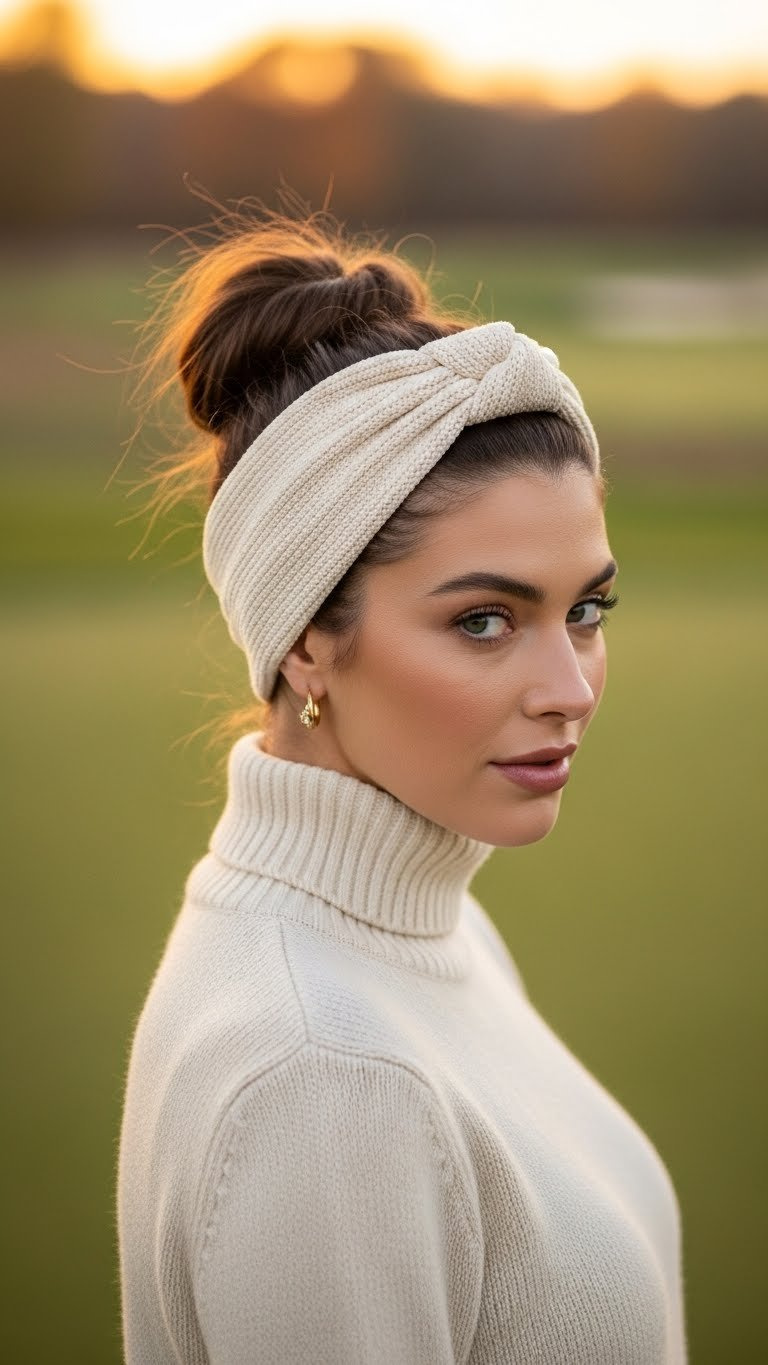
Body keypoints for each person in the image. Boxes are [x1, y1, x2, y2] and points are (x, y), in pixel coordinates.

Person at [117, 203, 688, 1363]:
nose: (569, 686)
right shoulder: (324, 1076)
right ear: (308, 639)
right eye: (485, 621)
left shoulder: (424, 927)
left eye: (586, 611)